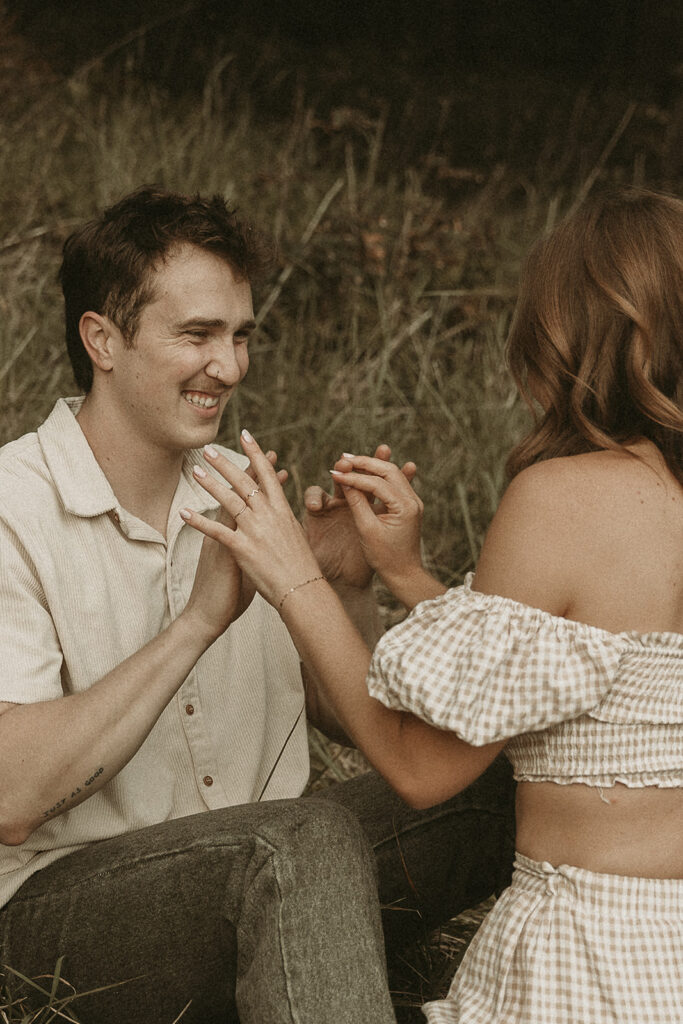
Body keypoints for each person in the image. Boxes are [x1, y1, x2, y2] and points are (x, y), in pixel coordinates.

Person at [0, 186, 515, 1023]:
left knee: (503, 771)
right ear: (101, 338)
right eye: (197, 334)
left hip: (279, 873)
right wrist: (198, 622)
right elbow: (10, 798)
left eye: (241, 335)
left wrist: (342, 594)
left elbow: (363, 730)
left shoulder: (236, 493)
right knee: (292, 839)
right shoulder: (12, 510)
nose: (231, 367)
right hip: (61, 921)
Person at [183, 186, 683, 1023]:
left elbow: (423, 770)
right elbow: (598, 672)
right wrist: (409, 582)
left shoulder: (562, 497)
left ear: (566, 334)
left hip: (590, 962)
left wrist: (292, 575)